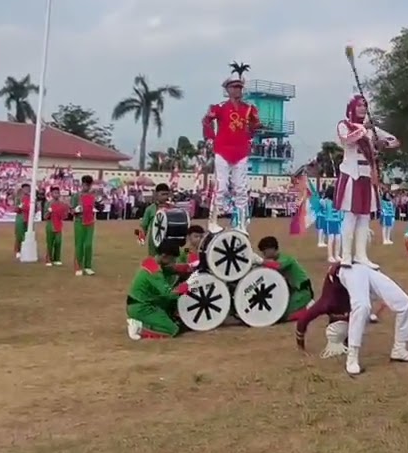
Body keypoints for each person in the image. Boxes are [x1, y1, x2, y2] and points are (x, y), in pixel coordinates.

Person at [293, 263, 408, 374]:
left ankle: (399, 349)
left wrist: (301, 347)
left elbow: (303, 320)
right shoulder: (352, 310)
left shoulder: (326, 304)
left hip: (346, 269)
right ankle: (352, 358)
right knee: (363, 307)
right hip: (355, 271)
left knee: (405, 303)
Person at [333, 94, 400, 268]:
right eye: (359, 105)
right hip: (351, 174)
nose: (362, 108)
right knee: (350, 216)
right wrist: (364, 129)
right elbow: (348, 140)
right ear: (352, 108)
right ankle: (346, 255)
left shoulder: (371, 129)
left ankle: (361, 255)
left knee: (364, 217)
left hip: (368, 175)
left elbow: (395, 141)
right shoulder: (344, 125)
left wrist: (382, 143)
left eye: (365, 105)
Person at [202, 70, 262, 231]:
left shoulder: (249, 108)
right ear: (227, 89)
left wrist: (253, 131)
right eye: (234, 87)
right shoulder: (219, 107)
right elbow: (207, 121)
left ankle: (241, 224)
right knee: (221, 186)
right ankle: (213, 221)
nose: (237, 90)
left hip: (241, 151)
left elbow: (254, 126)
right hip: (222, 150)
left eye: (239, 87)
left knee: (241, 188)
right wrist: (210, 138)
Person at [125, 241, 192, 340]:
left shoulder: (150, 262)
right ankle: (140, 328)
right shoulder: (155, 272)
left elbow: (167, 270)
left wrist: (180, 269)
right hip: (141, 308)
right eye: (172, 260)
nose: (173, 263)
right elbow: (168, 294)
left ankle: (147, 322)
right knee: (173, 330)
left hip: (138, 303)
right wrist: (183, 289)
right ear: (164, 256)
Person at [255, 235, 313, 321]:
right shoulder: (278, 259)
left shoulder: (286, 259)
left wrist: (261, 261)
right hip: (294, 291)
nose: (263, 254)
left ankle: (309, 309)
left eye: (264, 251)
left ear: (271, 249)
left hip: (302, 291)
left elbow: (277, 266)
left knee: (283, 315)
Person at [138, 183, 173, 256]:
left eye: (166, 194)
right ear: (156, 194)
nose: (165, 197)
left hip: (169, 239)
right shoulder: (150, 209)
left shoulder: (172, 208)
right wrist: (141, 238)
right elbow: (144, 226)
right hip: (154, 240)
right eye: (162, 194)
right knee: (153, 261)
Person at [72, 175, 97, 276]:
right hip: (79, 222)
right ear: (82, 184)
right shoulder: (76, 196)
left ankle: (88, 266)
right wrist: (75, 210)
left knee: (88, 245)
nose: (87, 187)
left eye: (89, 185)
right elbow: (71, 210)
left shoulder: (92, 196)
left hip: (90, 222)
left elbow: (94, 207)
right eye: (85, 185)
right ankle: (78, 266)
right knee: (79, 245)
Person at [44, 186, 70, 266]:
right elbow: (45, 217)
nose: (56, 195)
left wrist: (66, 211)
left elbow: (65, 216)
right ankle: (48, 259)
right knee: (50, 243)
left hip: (58, 225)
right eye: (55, 193)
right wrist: (49, 212)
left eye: (58, 193)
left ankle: (57, 258)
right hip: (50, 224)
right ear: (51, 194)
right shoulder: (48, 203)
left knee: (58, 242)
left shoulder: (62, 204)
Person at [323, 188, 343, 263]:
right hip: (330, 221)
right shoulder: (326, 201)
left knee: (338, 238)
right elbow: (321, 204)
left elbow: (341, 210)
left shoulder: (338, 201)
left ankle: (337, 255)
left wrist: (341, 218)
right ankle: (330, 256)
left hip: (338, 222)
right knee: (331, 239)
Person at [13, 183, 32, 258]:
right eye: (25, 188)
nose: (27, 190)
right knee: (19, 235)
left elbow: (35, 208)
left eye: (28, 188)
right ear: (22, 189)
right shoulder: (18, 198)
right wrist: (19, 207)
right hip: (20, 217)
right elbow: (15, 209)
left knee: (28, 235)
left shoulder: (32, 198)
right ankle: (18, 250)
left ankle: (26, 250)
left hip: (29, 218)